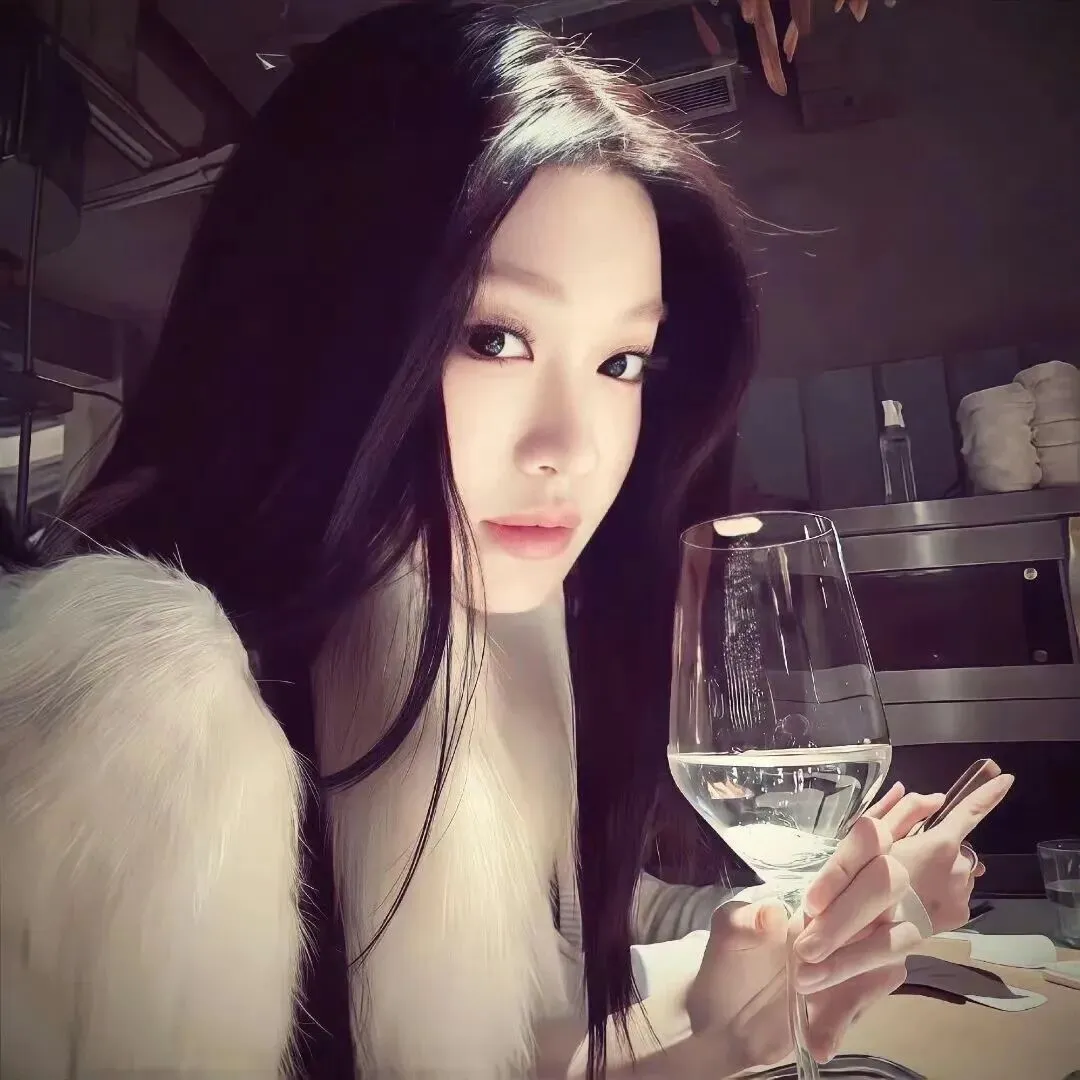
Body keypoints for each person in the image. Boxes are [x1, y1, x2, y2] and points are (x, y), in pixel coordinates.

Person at [0, 4, 1012, 1078]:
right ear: (320, 319)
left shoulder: (482, 636)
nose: (572, 447)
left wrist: (746, 988)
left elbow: (515, 1017)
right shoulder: (147, 725)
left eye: (621, 362)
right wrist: (708, 1047)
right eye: (494, 338)